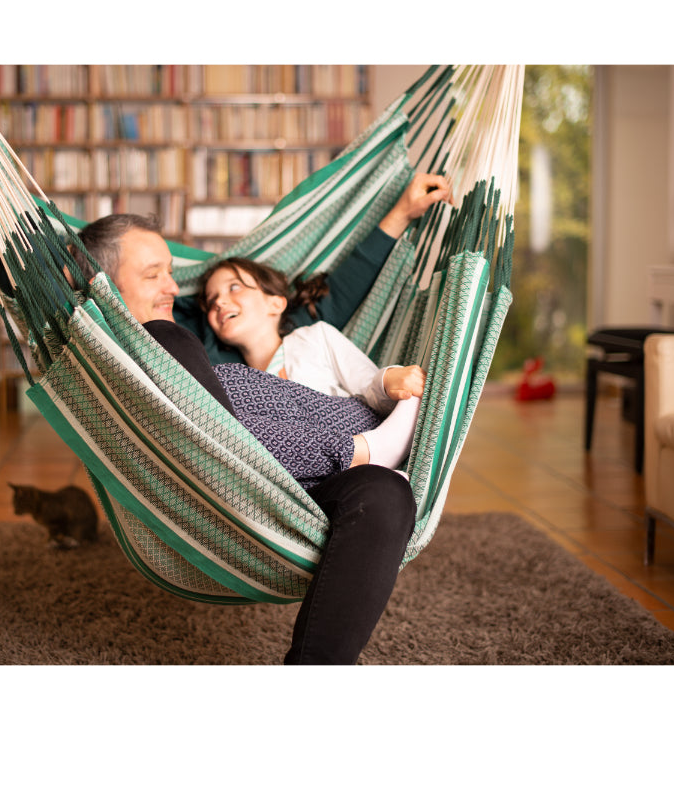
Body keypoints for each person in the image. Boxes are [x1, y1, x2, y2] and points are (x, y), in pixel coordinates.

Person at [69, 173, 452, 664]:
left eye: (171, 272)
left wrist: (399, 215)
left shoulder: (307, 335)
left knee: (387, 492)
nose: (175, 288)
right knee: (200, 360)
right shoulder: (193, 340)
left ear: (277, 304)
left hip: (317, 478)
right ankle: (365, 447)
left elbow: (345, 312)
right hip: (235, 479)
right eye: (153, 275)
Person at [198, 256, 427, 475]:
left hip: (353, 424)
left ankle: (370, 450)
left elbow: (369, 388)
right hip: (303, 480)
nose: (219, 302)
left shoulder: (315, 338)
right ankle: (368, 457)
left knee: (227, 385)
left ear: (275, 303)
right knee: (222, 411)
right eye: (211, 301)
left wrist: (388, 379)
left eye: (234, 287)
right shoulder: (240, 381)